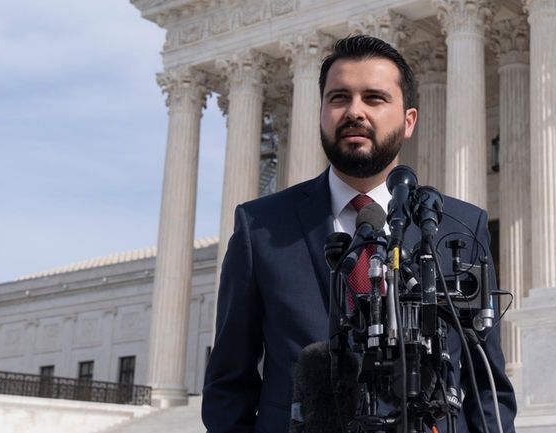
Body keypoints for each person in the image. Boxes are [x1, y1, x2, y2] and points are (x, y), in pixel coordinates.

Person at [202, 35, 517, 433]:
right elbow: (229, 384)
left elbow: (489, 389)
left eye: (374, 98)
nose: (354, 112)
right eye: (338, 98)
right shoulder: (261, 228)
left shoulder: (458, 227)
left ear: (408, 121)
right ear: (320, 113)